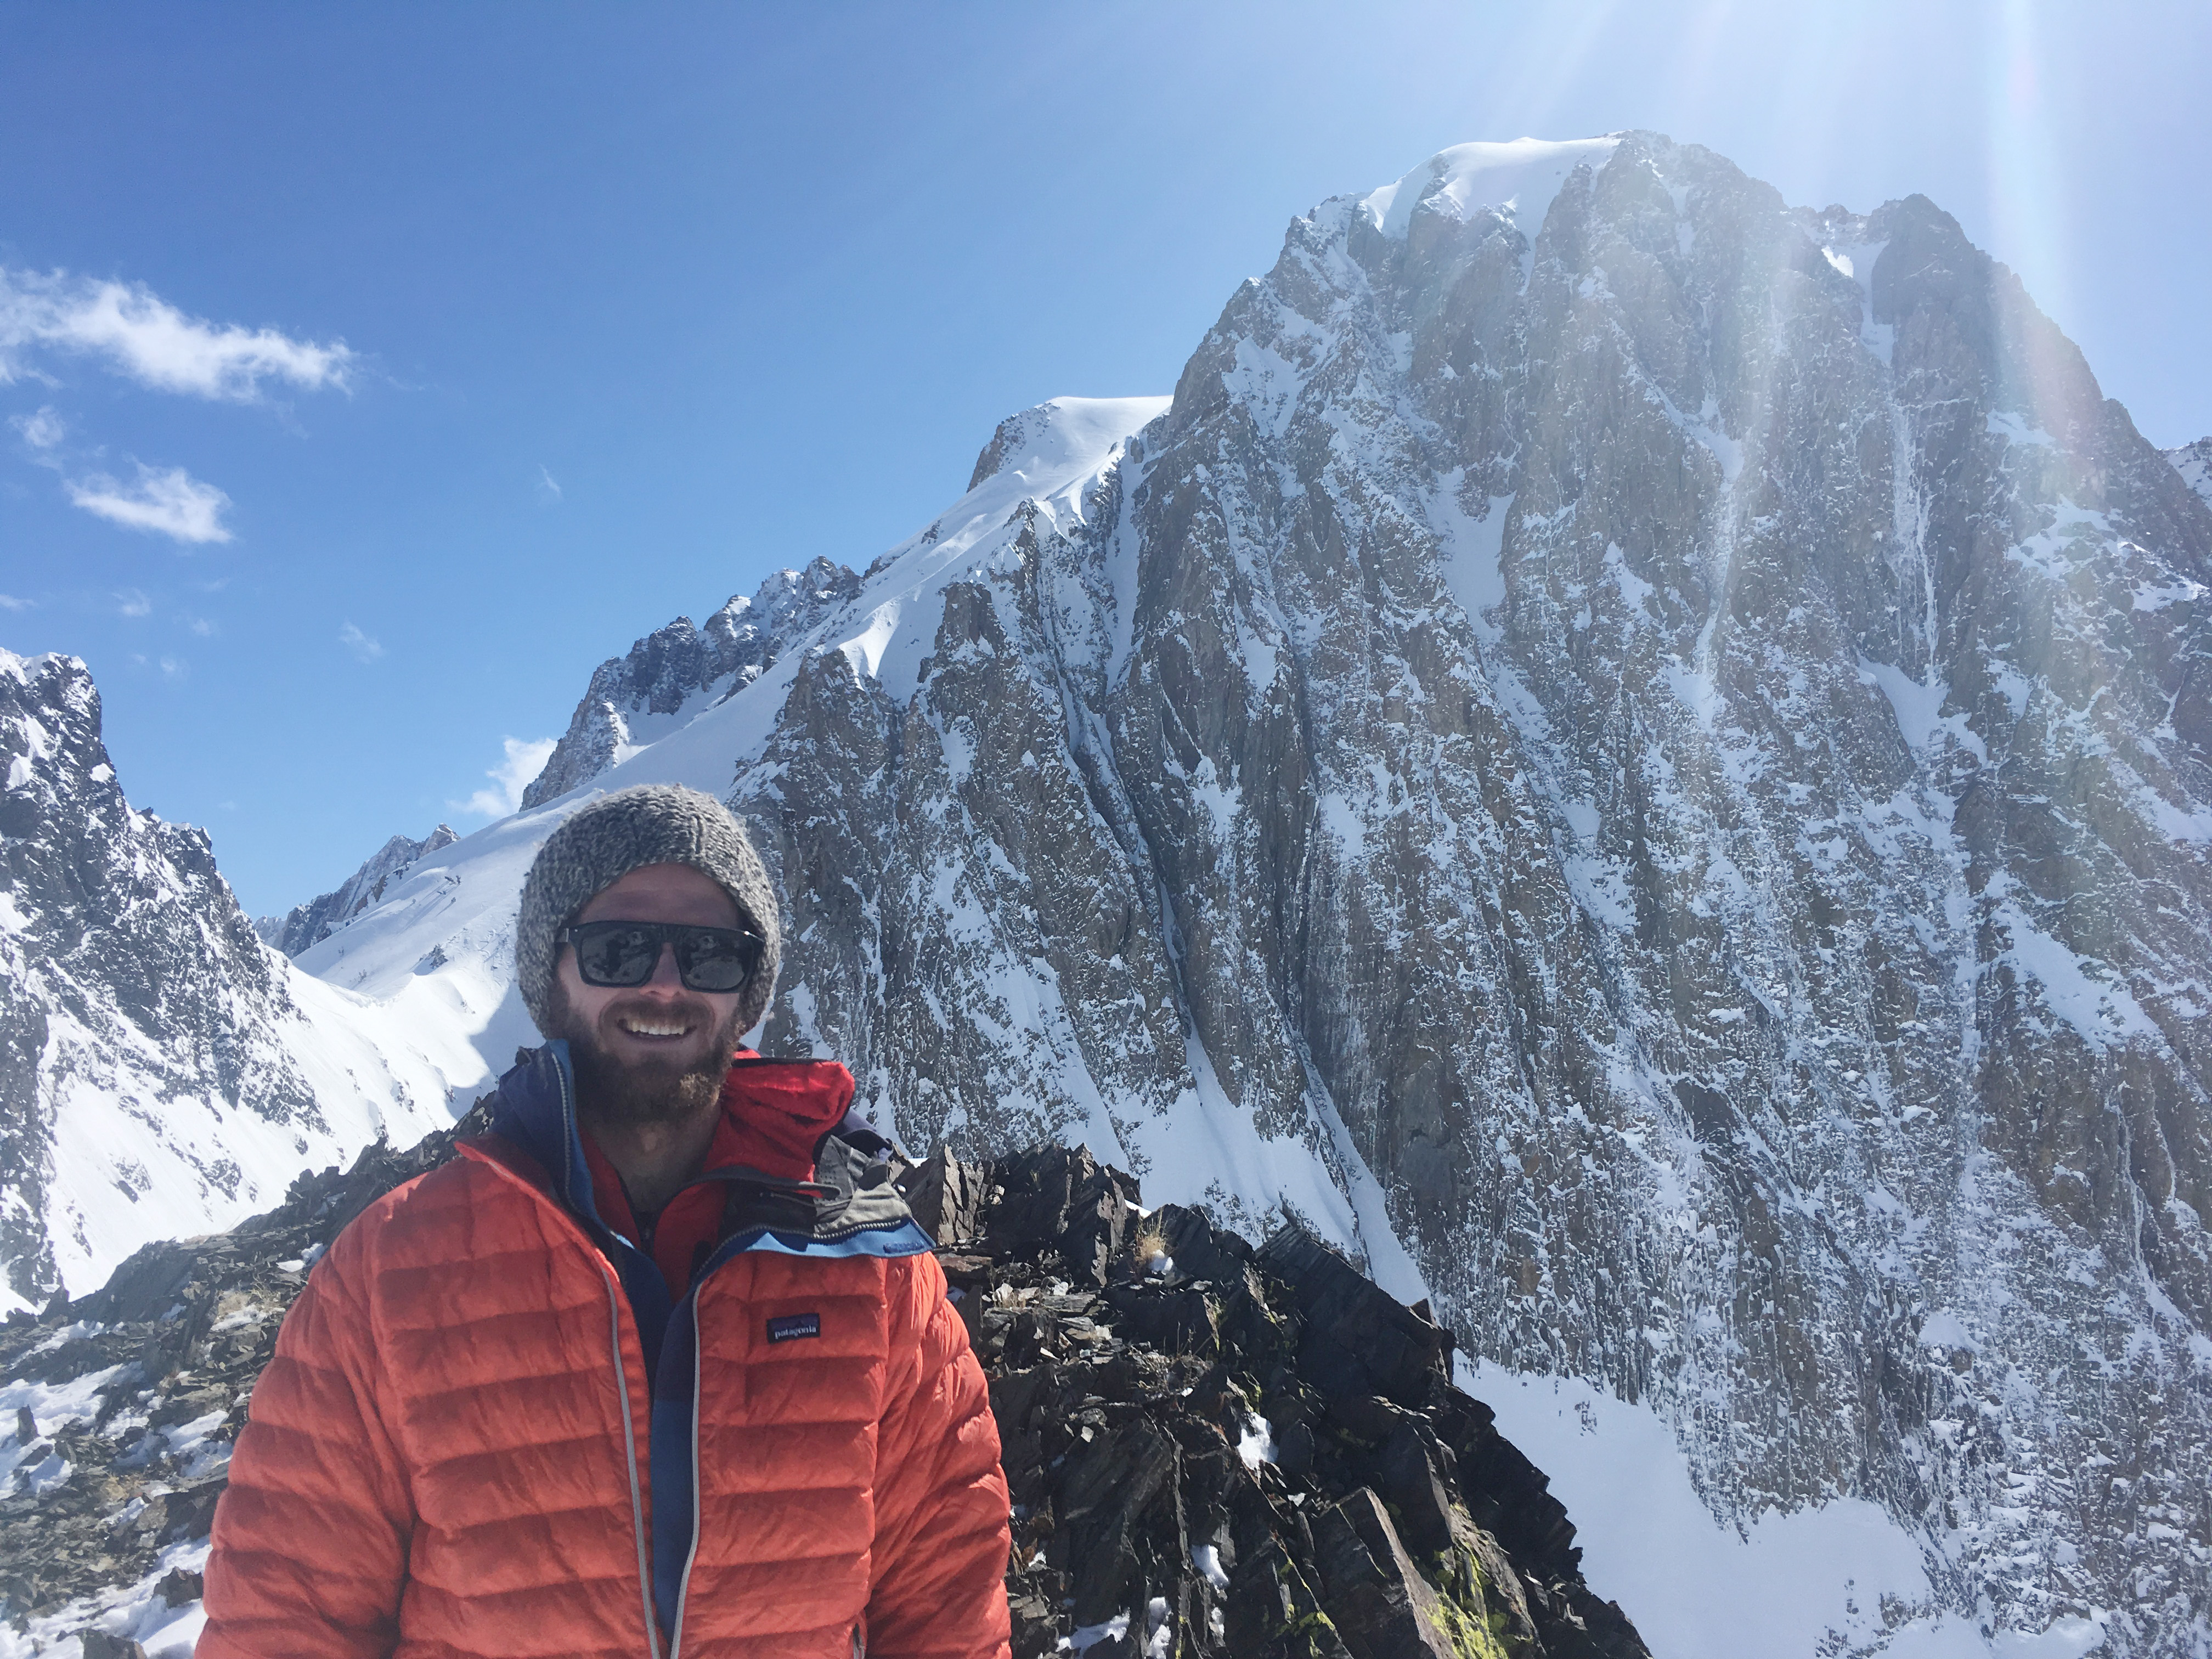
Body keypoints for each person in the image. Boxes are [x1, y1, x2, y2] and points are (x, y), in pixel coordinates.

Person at [200, 783, 1012, 1658]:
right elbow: (284, 1621)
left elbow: (947, 1607)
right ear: (553, 977)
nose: (665, 986)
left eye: (710, 956)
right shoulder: (391, 1275)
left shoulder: (873, 1272)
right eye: (619, 949)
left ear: (749, 992)